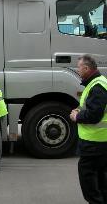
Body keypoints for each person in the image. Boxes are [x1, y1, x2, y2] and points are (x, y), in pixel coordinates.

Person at [70, 55, 107, 204]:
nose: (77, 70)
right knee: (101, 178)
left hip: (94, 143)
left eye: (79, 67)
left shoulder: (97, 86)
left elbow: (94, 114)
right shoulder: (98, 82)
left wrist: (77, 117)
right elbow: (91, 107)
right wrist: (79, 110)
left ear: (86, 68)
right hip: (100, 142)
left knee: (89, 181)